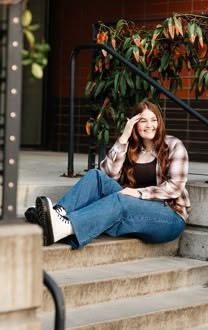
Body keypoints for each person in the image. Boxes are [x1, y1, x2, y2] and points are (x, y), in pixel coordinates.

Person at [30, 100, 191, 249]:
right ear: (135, 124)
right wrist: (124, 138)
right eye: (143, 121)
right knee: (96, 176)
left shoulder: (173, 145)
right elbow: (107, 174)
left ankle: (65, 227)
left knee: (121, 200)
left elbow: (175, 187)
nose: (150, 125)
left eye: (154, 120)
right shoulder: (131, 148)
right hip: (132, 209)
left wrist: (137, 193)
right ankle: (57, 214)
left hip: (169, 217)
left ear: (160, 122)